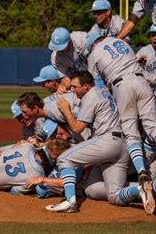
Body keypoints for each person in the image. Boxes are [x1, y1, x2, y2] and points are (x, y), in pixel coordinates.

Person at [84, 33, 156, 195]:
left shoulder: (94, 53)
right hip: (141, 82)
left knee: (131, 134)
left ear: (93, 45)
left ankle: (142, 172)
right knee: (154, 126)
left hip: (121, 85)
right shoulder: (121, 43)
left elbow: (97, 87)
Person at [45, 71, 131, 213]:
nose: (72, 90)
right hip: (121, 143)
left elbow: (77, 128)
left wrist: (66, 110)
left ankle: (69, 201)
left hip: (107, 140)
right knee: (115, 195)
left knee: (64, 159)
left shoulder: (91, 96)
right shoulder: (101, 92)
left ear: (86, 86)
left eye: (74, 87)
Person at [0, 138, 70, 195]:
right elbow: (14, 191)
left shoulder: (28, 146)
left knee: (19, 144)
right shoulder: (37, 175)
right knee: (18, 181)